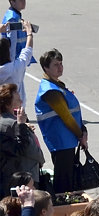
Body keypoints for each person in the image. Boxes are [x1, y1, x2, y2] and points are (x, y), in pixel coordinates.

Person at [33, 49, 87, 193]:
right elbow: (66, 117)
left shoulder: (56, 85)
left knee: (68, 180)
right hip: (61, 141)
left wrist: (83, 130)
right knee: (63, 184)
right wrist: (80, 135)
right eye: (56, 64)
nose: (60, 67)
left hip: (66, 139)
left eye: (61, 63)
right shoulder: (50, 90)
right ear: (46, 68)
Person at [0, 84, 43, 194]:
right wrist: (41, 159)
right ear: (9, 104)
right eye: (18, 99)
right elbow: (28, 147)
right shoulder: (13, 123)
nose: (21, 101)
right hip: (25, 174)